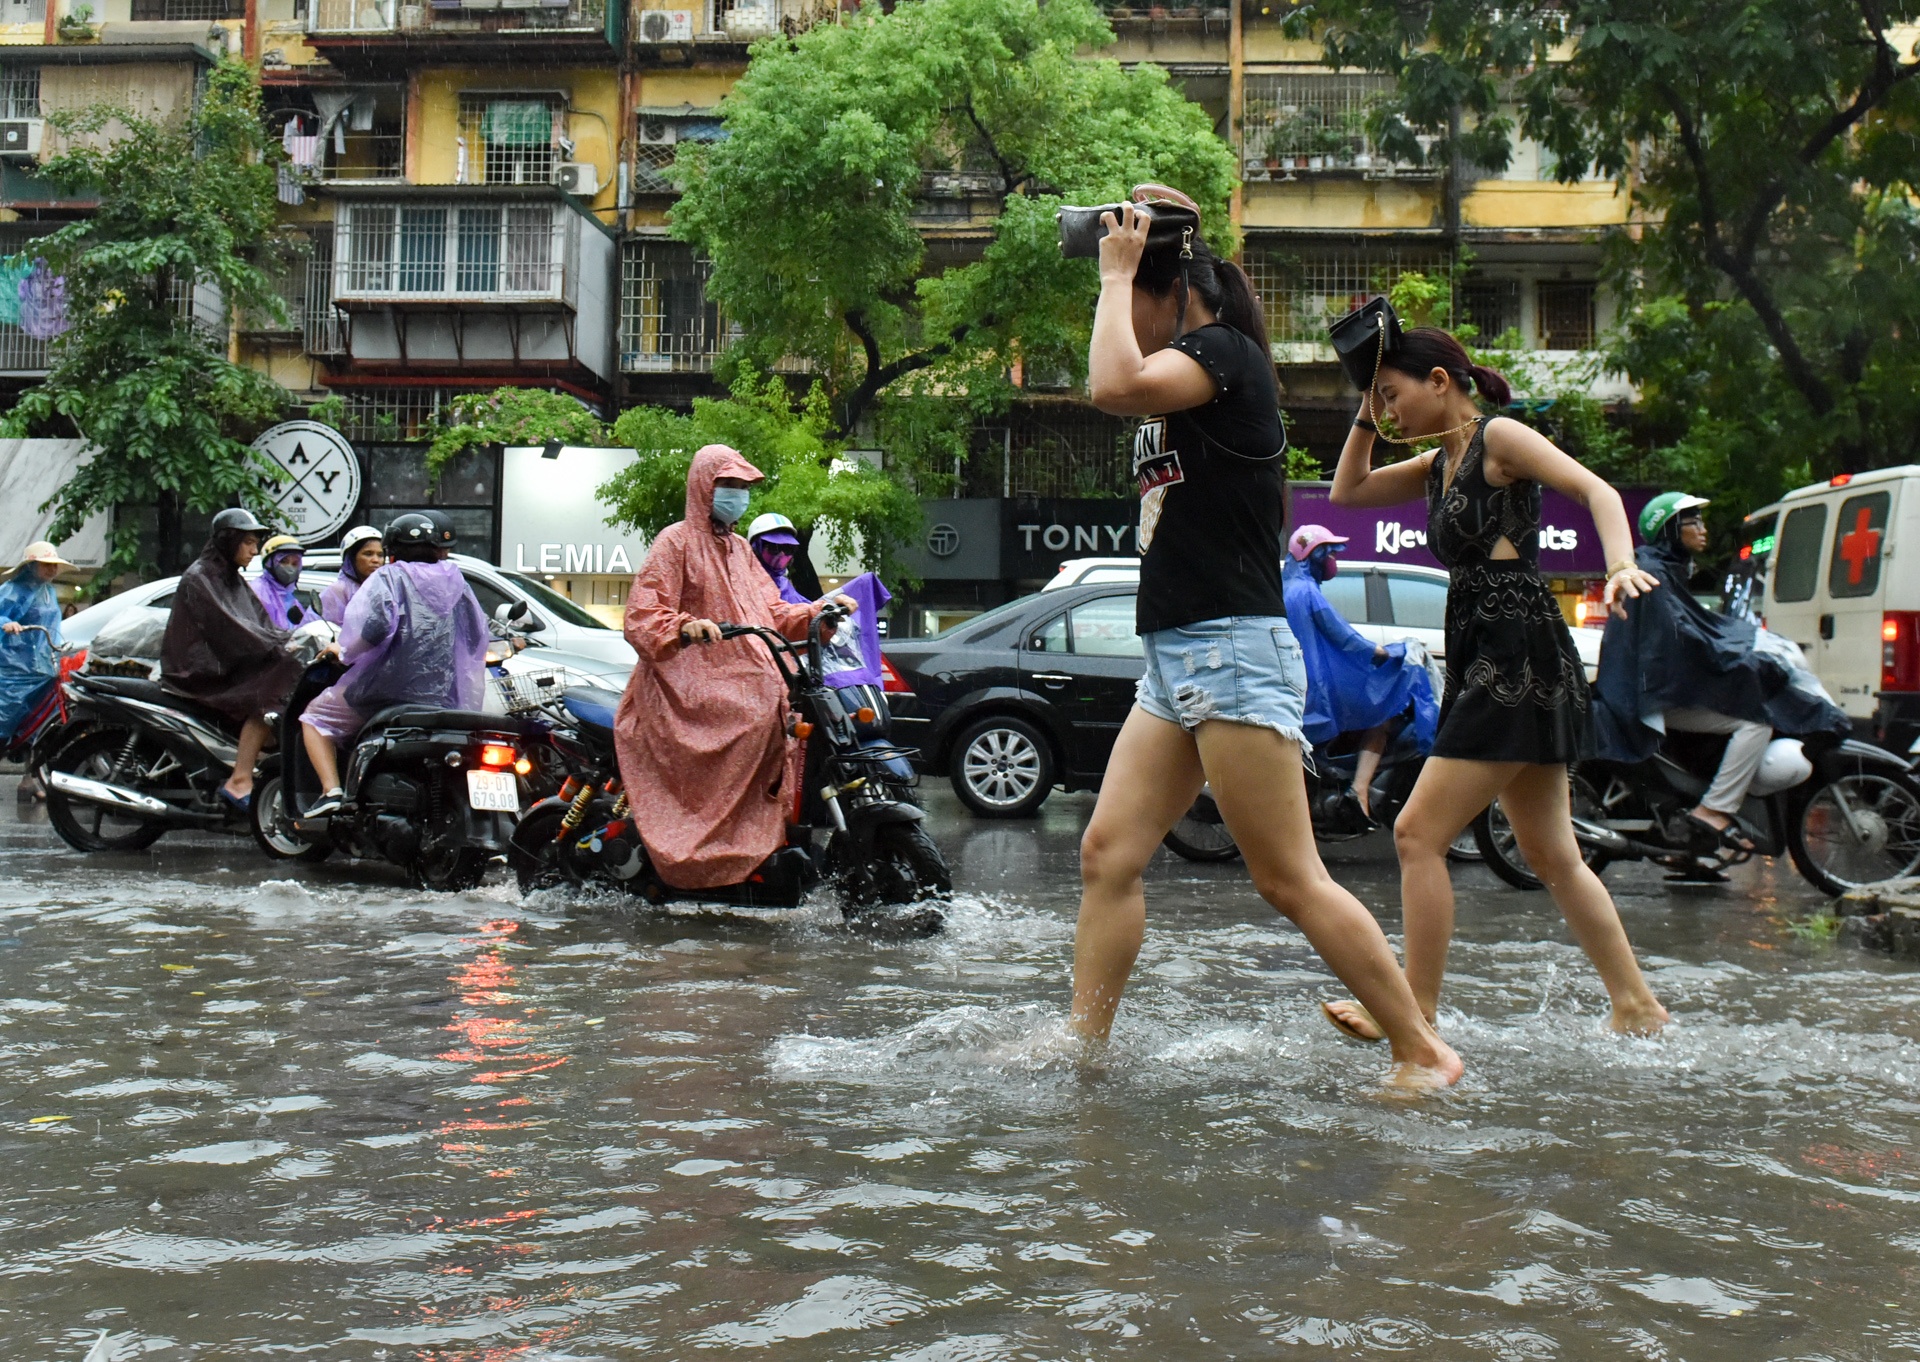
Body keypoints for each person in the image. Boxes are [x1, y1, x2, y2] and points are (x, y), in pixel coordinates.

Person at [1068, 189, 1461, 1088]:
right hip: (1177, 657)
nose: (1117, 313)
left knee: (1288, 878)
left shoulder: (1224, 355)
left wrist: (1119, 270)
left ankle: (1422, 1049)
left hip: (1230, 649)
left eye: (1132, 298)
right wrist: (1148, 227)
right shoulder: (1192, 363)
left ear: (1172, 294)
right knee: (1107, 855)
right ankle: (1082, 1041)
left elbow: (1108, 384)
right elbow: (1126, 361)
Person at [1323, 326, 1669, 1044]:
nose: (1388, 411)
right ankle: (1636, 1003)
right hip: (1486, 650)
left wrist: (1617, 565)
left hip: (1518, 656)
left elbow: (1596, 489)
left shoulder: (1499, 438)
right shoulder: (1436, 463)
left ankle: (1416, 1011)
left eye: (1395, 394)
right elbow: (1346, 490)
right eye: (1380, 398)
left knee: (1418, 833)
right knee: (1551, 854)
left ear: (1441, 382)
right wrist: (1365, 400)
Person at [612, 446, 837, 890]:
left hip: (744, 675)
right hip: (685, 683)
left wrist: (817, 614)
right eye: (728, 486)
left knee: (780, 711)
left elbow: (771, 613)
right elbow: (642, 616)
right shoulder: (674, 541)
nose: (737, 496)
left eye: (742, 487)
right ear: (704, 487)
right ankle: (710, 850)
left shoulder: (738, 549)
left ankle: (756, 840)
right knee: (753, 716)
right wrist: (685, 627)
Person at [1594, 491, 1849, 852]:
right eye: (1692, 522)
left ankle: (1690, 851)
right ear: (1669, 530)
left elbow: (1696, 632)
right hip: (1647, 695)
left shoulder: (1664, 569)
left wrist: (1744, 648)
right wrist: (1739, 660)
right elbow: (1684, 641)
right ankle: (1713, 810)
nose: (1703, 529)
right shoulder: (1653, 575)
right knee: (1755, 719)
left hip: (1653, 687)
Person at [298, 513, 489, 817]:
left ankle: (331, 792)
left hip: (385, 691)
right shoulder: (456, 580)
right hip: (443, 697)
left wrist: (342, 650)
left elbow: (372, 631)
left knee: (315, 719)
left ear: (391, 548)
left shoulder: (389, 577)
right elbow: (477, 634)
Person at [1282, 524, 1438, 827]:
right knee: (1384, 713)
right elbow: (1344, 638)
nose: (1333, 562)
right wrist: (1391, 653)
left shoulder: (1290, 588)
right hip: (1318, 690)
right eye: (1330, 554)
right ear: (1316, 556)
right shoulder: (1308, 593)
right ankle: (1360, 789)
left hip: (1301, 682)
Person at [159, 508, 307, 810]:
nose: (254, 550)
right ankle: (239, 778)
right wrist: (278, 646)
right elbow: (231, 627)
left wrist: (292, 640)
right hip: (198, 670)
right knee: (273, 683)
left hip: (222, 664)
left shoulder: (232, 578)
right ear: (229, 540)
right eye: (249, 542)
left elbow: (260, 621)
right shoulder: (200, 577)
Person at [1, 541, 68, 746]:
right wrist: (7, 623)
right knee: (7, 715)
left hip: (43, 665)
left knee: (41, 721)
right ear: (31, 565)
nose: (52, 568)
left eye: (54, 564)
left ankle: (30, 774)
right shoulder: (12, 589)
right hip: (14, 669)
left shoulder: (49, 591)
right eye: (46, 564)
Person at [321, 525, 384, 627]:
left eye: (380, 555)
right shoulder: (338, 591)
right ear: (351, 558)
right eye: (368, 554)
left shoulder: (385, 590)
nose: (376, 560)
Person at [746, 513, 809, 605]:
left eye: (788, 548)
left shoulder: (783, 584)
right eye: (774, 547)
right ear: (756, 548)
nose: (782, 553)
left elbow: (805, 606)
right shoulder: (745, 582)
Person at [250, 535, 310, 630]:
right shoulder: (258, 591)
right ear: (269, 563)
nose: (290, 568)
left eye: (295, 564)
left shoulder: (289, 597)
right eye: (284, 561)